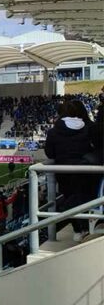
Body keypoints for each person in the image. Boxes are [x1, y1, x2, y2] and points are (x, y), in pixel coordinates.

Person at [45, 99, 98, 242]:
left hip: (64, 174)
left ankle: (78, 229)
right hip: (85, 173)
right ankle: (86, 228)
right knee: (84, 199)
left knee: (70, 199)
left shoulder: (54, 131)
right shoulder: (89, 128)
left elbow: (50, 153)